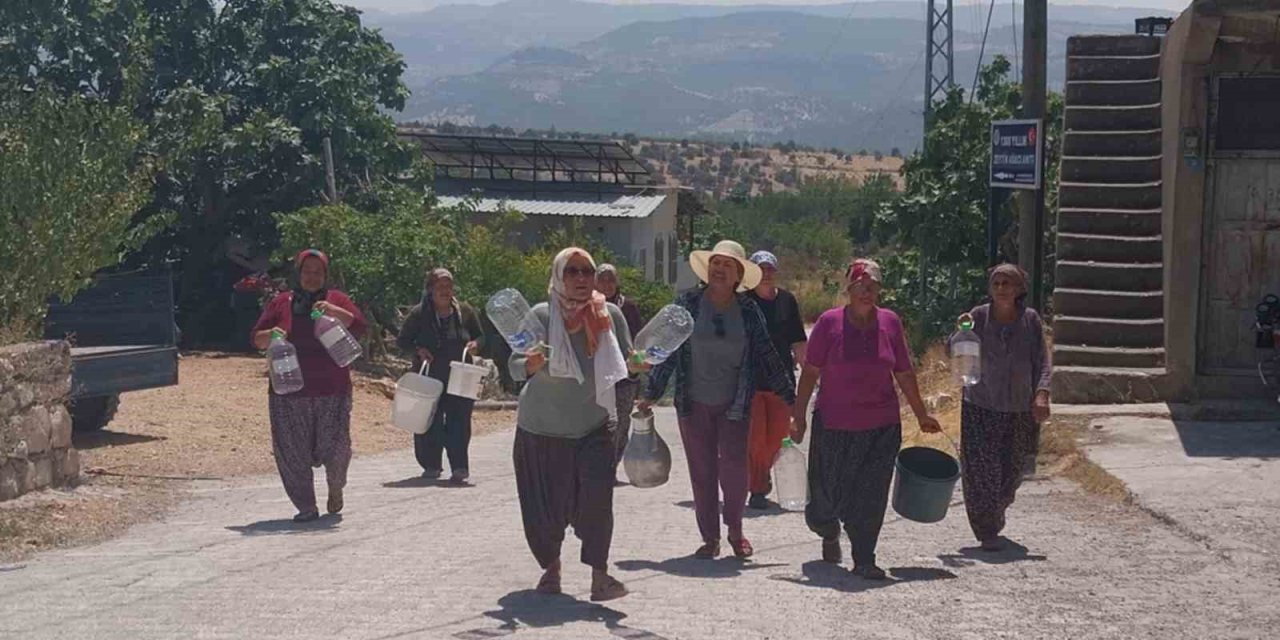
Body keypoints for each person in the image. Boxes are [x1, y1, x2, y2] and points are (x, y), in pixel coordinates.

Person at [640, 240, 796, 560]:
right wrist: (651, 392)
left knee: (735, 469)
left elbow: (767, 354)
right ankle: (709, 538)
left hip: (735, 403)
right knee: (703, 470)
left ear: (739, 275)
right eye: (716, 264)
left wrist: (790, 398)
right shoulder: (689, 303)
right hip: (693, 400)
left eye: (727, 266)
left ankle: (735, 530)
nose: (720, 270)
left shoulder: (749, 311)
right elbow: (668, 350)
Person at [790, 258, 941, 579]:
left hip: (881, 427)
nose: (867, 293)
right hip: (833, 424)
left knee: (871, 494)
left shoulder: (890, 323)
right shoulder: (829, 323)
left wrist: (921, 414)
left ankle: (864, 557)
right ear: (849, 288)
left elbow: (903, 371)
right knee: (825, 498)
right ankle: (828, 530)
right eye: (861, 286)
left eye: (873, 287)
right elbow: (809, 374)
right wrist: (798, 417)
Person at [509, 247, 641, 602]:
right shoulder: (539, 315)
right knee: (544, 507)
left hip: (593, 425)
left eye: (587, 271)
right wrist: (532, 363)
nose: (582, 278)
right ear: (558, 276)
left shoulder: (609, 314)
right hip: (541, 428)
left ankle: (600, 577)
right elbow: (513, 366)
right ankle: (551, 569)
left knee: (598, 502)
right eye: (573, 271)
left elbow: (628, 361)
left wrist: (642, 365)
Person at [251, 249, 367, 523]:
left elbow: (361, 326)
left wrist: (335, 312)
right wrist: (272, 335)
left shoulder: (336, 299)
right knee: (292, 450)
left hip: (332, 389)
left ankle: (336, 486)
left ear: (325, 275)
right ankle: (306, 506)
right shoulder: (281, 303)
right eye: (307, 271)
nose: (312, 277)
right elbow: (256, 338)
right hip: (288, 391)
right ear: (298, 274)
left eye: (318, 272)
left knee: (337, 448)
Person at [956, 263, 1052, 551]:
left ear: (1019, 289)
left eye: (1007, 283)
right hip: (981, 405)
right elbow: (957, 349)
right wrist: (961, 331)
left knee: (1012, 472)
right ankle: (986, 530)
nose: (1001, 288)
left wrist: (1042, 394)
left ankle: (996, 513)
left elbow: (1042, 361)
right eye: (996, 283)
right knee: (981, 472)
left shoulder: (1031, 320)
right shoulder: (977, 316)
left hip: (1020, 408)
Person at [396, 268, 484, 484]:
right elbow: (403, 341)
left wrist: (475, 344)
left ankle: (459, 467)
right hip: (430, 375)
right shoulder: (419, 313)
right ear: (430, 290)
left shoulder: (465, 311)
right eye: (440, 287)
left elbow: (481, 336)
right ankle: (431, 464)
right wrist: (419, 350)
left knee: (459, 420)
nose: (445, 291)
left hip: (460, 375)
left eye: (448, 286)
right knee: (428, 419)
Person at [745, 251, 807, 510]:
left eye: (770, 268)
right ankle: (757, 488)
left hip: (781, 382)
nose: (766, 273)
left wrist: (811, 375)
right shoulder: (743, 302)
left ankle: (763, 474)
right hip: (750, 381)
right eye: (761, 268)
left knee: (777, 437)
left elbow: (798, 341)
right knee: (756, 438)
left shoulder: (787, 301)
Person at [596, 263, 646, 474]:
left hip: (624, 376)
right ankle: (597, 467)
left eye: (611, 279)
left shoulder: (628, 307)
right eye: (602, 279)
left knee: (621, 423)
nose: (607, 284)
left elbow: (640, 339)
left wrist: (639, 368)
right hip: (597, 375)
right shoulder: (586, 306)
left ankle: (611, 467)